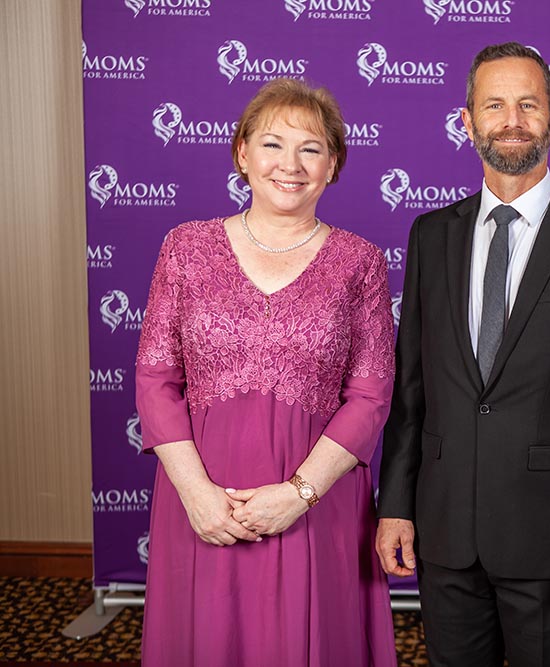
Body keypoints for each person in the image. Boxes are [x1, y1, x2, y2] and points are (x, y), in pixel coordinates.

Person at [375, 42, 550, 667]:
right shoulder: (430, 235)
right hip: (444, 530)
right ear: (467, 121)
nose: (512, 120)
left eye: (529, 104)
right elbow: (411, 391)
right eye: (494, 105)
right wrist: (395, 506)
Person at [135, 78, 397, 667]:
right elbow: (155, 380)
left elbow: (371, 395)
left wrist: (298, 495)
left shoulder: (359, 262)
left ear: (333, 165)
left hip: (316, 505)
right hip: (203, 502)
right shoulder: (185, 248)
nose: (290, 165)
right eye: (273, 144)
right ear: (242, 154)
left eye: (311, 148)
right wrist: (198, 495)